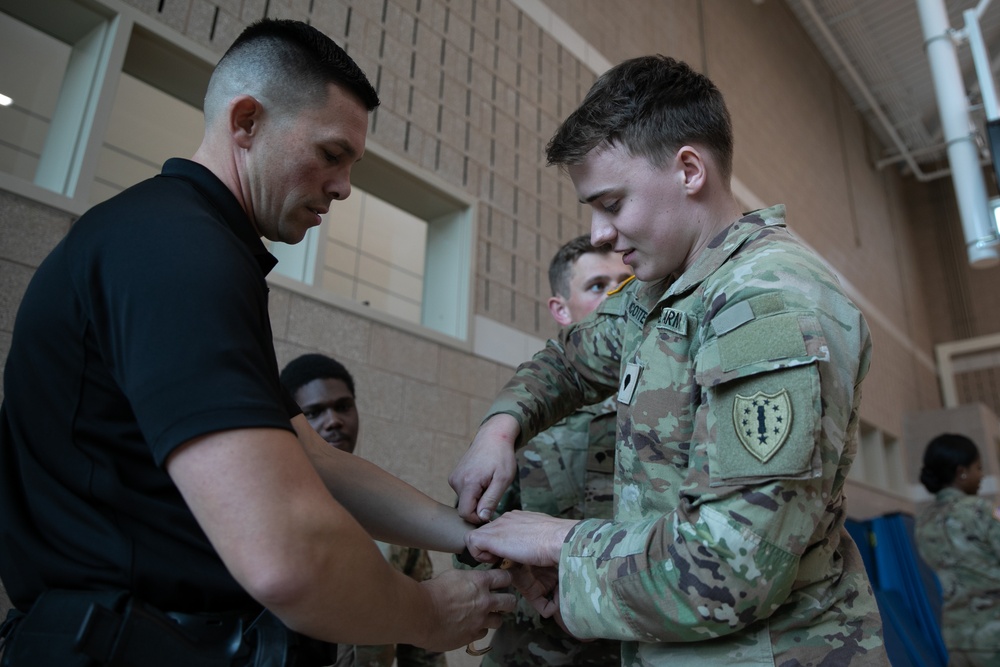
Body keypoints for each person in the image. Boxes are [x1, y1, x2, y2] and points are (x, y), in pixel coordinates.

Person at [0, 18, 515, 667]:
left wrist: (467, 528)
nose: (344, 186)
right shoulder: (177, 252)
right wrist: (427, 612)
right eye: (332, 154)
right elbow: (286, 555)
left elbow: (311, 460)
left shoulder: (186, 245)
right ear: (245, 121)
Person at [449, 55, 888, 665]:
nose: (598, 233)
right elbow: (571, 361)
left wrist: (563, 544)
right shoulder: (661, 290)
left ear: (688, 170)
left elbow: (732, 567)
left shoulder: (768, 306)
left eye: (611, 203)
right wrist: (500, 428)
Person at [463, 235, 629, 666]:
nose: (618, 296)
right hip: (531, 653)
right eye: (597, 286)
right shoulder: (518, 420)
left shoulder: (666, 414)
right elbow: (474, 545)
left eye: (627, 282)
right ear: (561, 309)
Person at [280, 353, 446, 667]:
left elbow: (424, 651)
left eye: (343, 407)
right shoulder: (271, 512)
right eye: (314, 412)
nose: (333, 421)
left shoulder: (395, 519)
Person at [916, 433, 1000, 667]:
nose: (981, 475)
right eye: (978, 467)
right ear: (961, 472)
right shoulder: (981, 510)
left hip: (957, 636)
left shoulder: (923, 521)